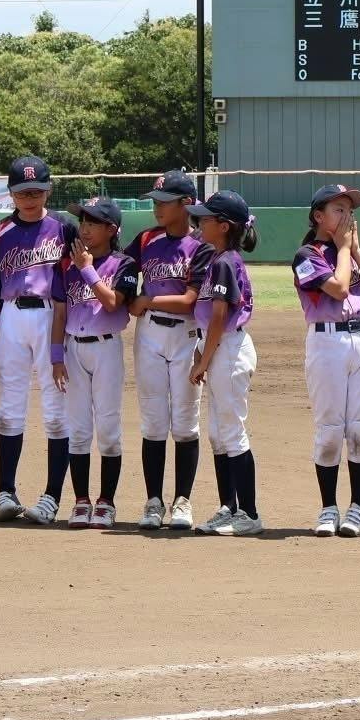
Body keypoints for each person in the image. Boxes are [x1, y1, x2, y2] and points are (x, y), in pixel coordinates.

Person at [0, 155, 77, 525]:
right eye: (23, 192)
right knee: (9, 409)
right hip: (11, 316)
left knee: (56, 410)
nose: (30, 198)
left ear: (48, 190)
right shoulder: (1, 231)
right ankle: (5, 492)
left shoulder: (64, 227)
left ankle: (52, 497)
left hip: (52, 316)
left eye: (37, 191)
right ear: (11, 193)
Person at [293, 182, 360, 538]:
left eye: (351, 211)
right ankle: (329, 507)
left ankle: (357, 507)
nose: (348, 217)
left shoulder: (350, 251)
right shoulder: (307, 255)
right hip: (327, 343)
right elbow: (339, 288)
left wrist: (355, 250)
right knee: (330, 430)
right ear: (319, 216)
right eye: (339, 210)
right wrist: (344, 249)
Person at [124, 169, 210, 531]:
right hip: (150, 335)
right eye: (155, 201)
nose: (157, 208)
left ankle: (182, 501)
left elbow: (190, 300)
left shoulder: (201, 244)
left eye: (164, 201)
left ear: (186, 203)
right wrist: (129, 297)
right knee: (154, 421)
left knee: (186, 422)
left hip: (186, 336)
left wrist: (147, 299)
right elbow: (122, 271)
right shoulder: (146, 239)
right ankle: (154, 501)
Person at [51, 196, 137, 529]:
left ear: (111, 230)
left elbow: (114, 303)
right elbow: (60, 313)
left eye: (93, 223)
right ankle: (81, 501)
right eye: (83, 222)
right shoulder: (66, 263)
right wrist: (56, 357)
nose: (84, 229)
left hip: (106, 348)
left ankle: (106, 502)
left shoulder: (124, 263)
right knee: (78, 430)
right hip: (74, 348)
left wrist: (86, 268)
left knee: (109, 429)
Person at [186, 190, 262, 537]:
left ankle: (249, 513)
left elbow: (219, 317)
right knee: (219, 434)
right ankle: (228, 508)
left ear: (224, 226)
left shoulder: (224, 262)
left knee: (231, 432)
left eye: (205, 218)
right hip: (219, 346)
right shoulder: (220, 258)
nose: (199, 223)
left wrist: (203, 360)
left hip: (228, 349)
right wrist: (203, 352)